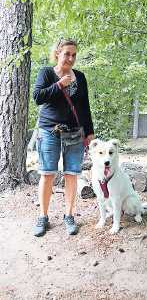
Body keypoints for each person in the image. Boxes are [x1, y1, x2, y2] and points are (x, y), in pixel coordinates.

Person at [33, 39, 94, 237]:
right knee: (47, 173)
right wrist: (59, 85)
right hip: (49, 130)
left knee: (71, 174)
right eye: (67, 53)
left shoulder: (81, 77)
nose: (70, 58)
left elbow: (84, 107)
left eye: (74, 55)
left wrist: (89, 132)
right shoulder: (47, 73)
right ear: (58, 53)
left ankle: (69, 215)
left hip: (75, 132)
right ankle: (43, 217)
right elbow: (38, 97)